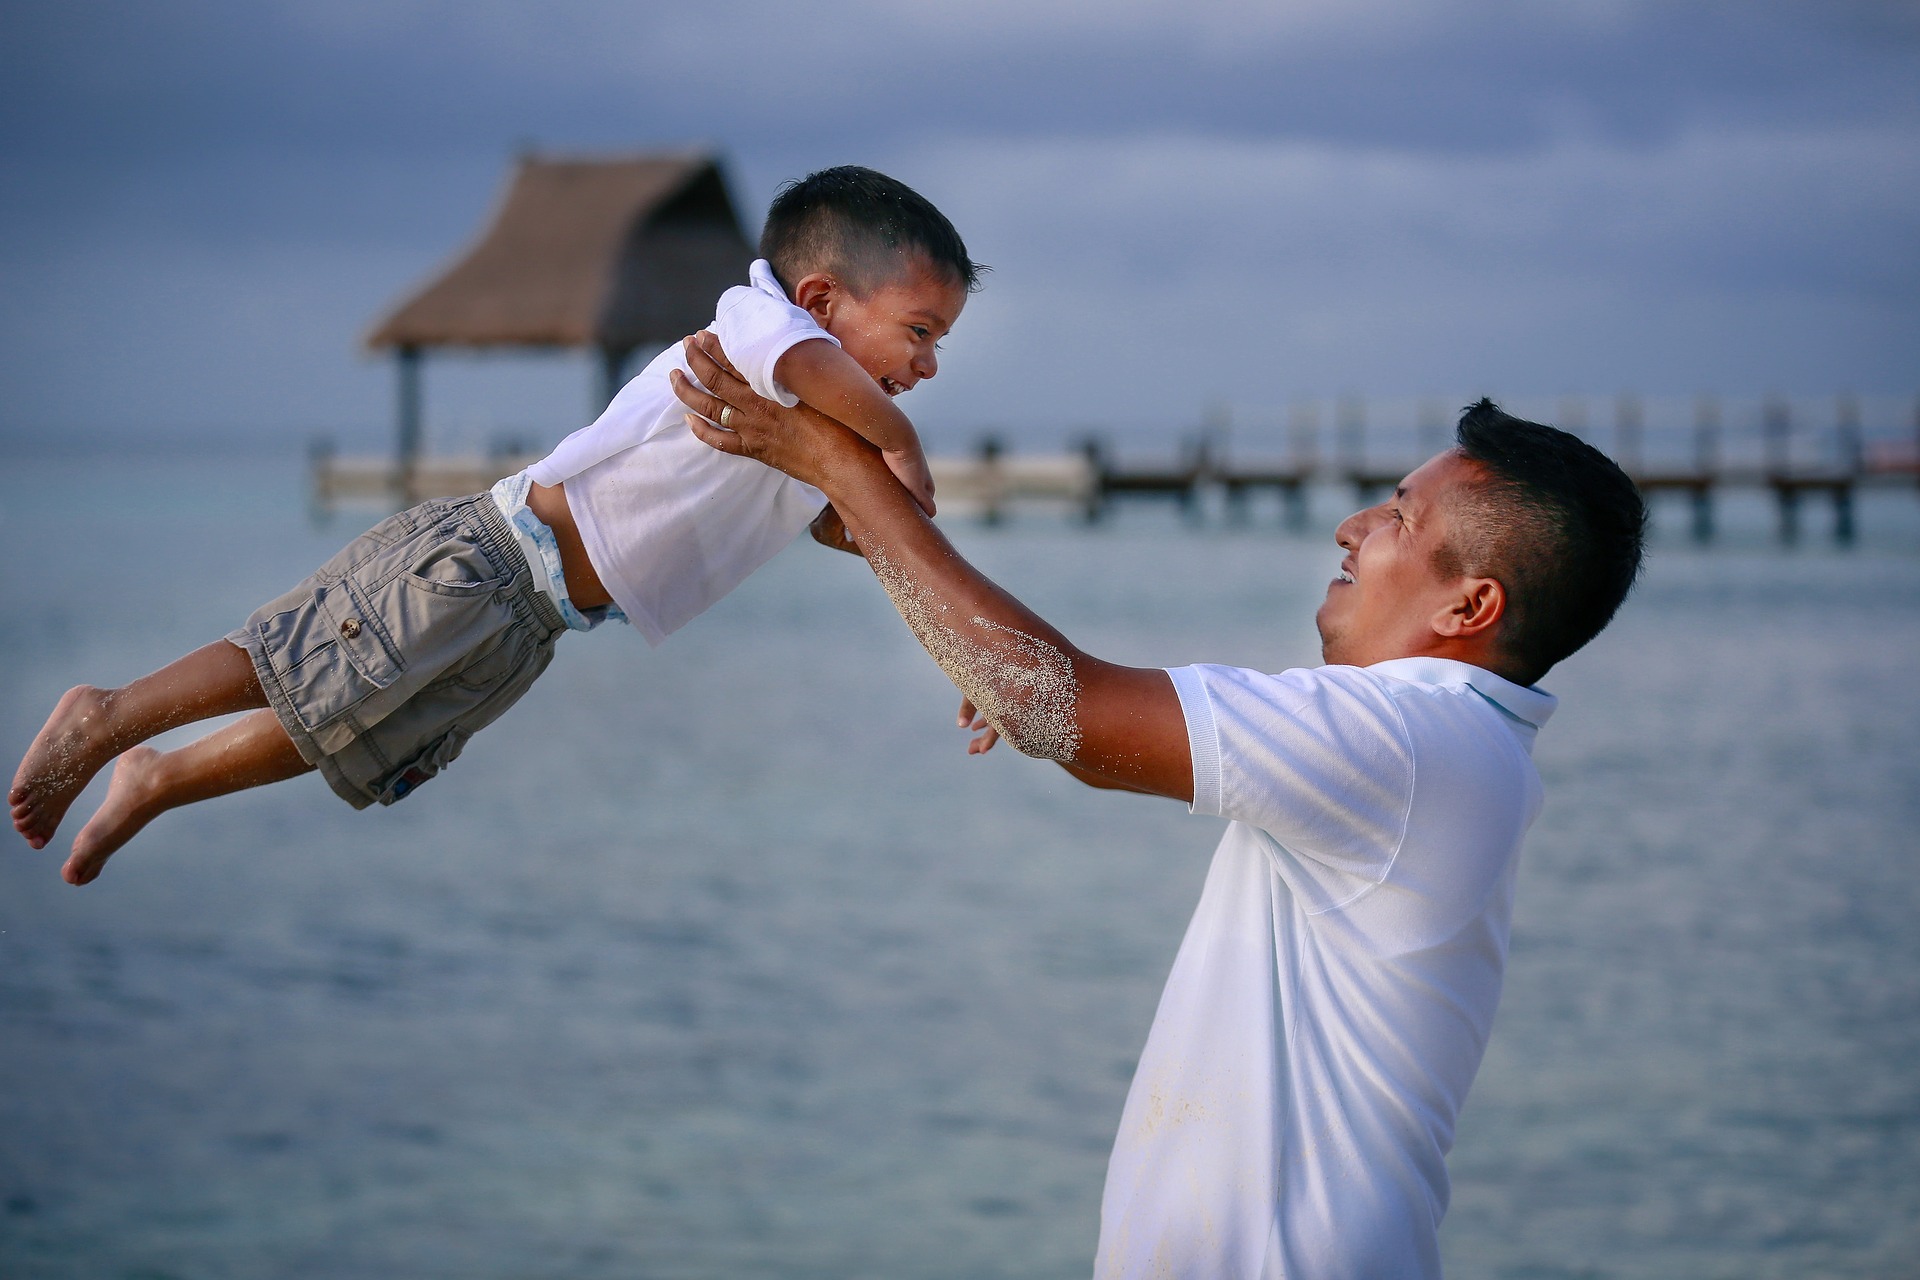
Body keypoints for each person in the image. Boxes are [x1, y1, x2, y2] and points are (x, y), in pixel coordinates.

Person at [670, 340, 1647, 1280]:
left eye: (1398, 516)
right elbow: (1056, 702)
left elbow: (1068, 710)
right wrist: (994, 660)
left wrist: (839, 465)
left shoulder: (1409, 738)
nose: (1351, 526)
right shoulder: (1449, 745)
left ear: (1469, 607)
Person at [9, 165, 982, 885]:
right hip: (488, 562)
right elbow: (828, 389)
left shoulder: (814, 429)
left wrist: (970, 659)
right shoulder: (765, 333)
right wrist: (902, 444)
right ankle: (114, 712)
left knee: (346, 728)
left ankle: (158, 778)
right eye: (920, 330)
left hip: (531, 626)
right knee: (304, 659)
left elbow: (876, 543)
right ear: (821, 298)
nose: (929, 365)